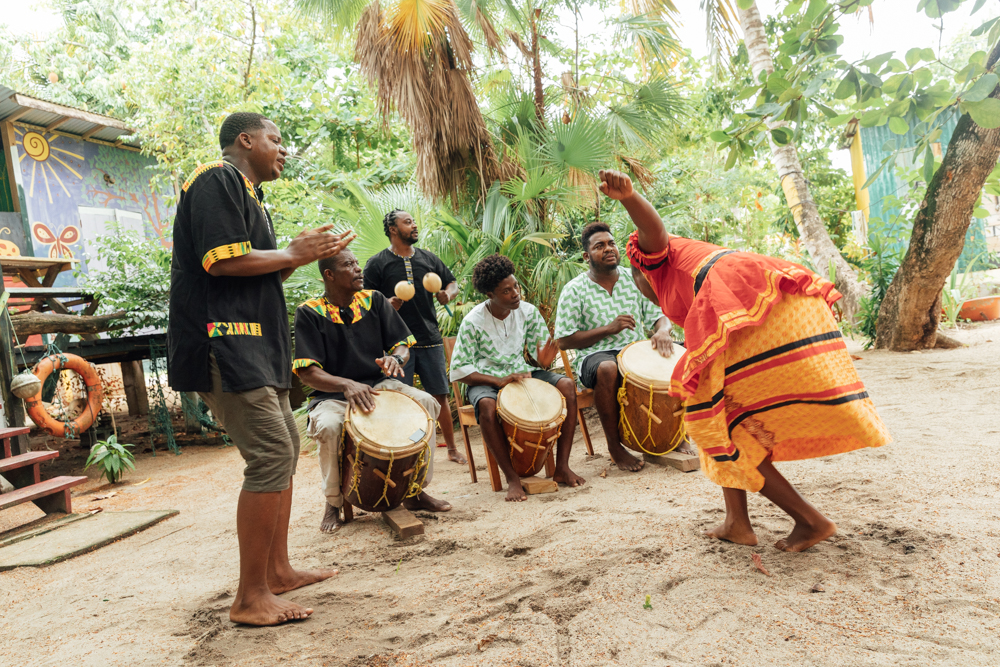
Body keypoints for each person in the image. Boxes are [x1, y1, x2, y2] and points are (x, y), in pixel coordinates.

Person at [597, 168, 891, 552]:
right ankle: (737, 522)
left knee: (718, 423)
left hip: (754, 305)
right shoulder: (688, 281)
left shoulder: (654, 262)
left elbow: (654, 233)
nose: (649, 298)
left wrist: (629, 198)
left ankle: (810, 520)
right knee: (718, 416)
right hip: (782, 302)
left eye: (642, 287)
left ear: (640, 270)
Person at [168, 112, 354, 626]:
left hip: (256, 351)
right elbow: (218, 261)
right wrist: (292, 252)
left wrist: (297, 255)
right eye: (276, 138)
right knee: (271, 452)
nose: (283, 149)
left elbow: (254, 266)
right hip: (223, 346)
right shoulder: (217, 178)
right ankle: (249, 598)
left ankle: (277, 572)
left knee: (286, 449)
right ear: (245, 140)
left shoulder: (250, 197)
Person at [294, 249, 452, 533]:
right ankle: (333, 501)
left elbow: (402, 344)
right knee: (330, 426)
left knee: (427, 403)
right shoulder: (309, 312)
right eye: (349, 265)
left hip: (378, 385)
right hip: (332, 395)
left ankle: (415, 490)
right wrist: (345, 384)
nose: (358, 269)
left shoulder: (374, 300)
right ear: (329, 275)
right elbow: (308, 372)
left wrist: (396, 358)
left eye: (357, 263)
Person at [449, 254, 586, 502]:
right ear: (490, 294)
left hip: (522, 372)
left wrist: (543, 359)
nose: (515, 294)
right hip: (485, 379)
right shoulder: (473, 321)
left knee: (566, 385)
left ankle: (561, 468)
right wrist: (497, 381)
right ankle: (512, 478)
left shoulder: (527, 312)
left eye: (516, 287)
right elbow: (459, 370)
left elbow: (539, 354)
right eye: (506, 291)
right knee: (487, 406)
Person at [555, 221, 685, 472]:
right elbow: (564, 340)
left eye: (612, 243)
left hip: (636, 351)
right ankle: (615, 447)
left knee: (686, 351)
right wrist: (608, 329)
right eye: (599, 246)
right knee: (607, 368)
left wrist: (662, 331)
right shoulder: (575, 290)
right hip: (594, 355)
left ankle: (674, 432)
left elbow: (660, 314)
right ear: (586, 255)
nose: (608, 249)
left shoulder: (634, 278)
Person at [363, 210, 466, 466]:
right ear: (393, 229)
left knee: (440, 394)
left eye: (413, 221)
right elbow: (364, 302)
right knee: (401, 399)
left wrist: (448, 294)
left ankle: (452, 449)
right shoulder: (377, 264)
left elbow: (452, 283)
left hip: (429, 336)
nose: (414, 226)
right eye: (408, 222)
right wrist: (386, 303)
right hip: (396, 344)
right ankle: (404, 452)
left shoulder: (429, 258)